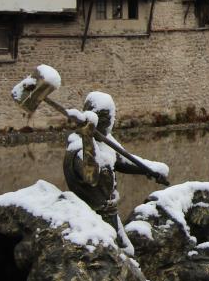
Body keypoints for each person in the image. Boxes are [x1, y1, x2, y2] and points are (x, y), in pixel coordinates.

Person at [63, 91, 169, 245]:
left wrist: (150, 169)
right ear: (94, 118)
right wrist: (87, 139)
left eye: (112, 117)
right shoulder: (78, 148)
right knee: (120, 258)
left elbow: (124, 160)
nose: (110, 122)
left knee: (128, 252)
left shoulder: (104, 142)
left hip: (110, 214)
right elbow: (91, 176)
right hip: (93, 219)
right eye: (106, 118)